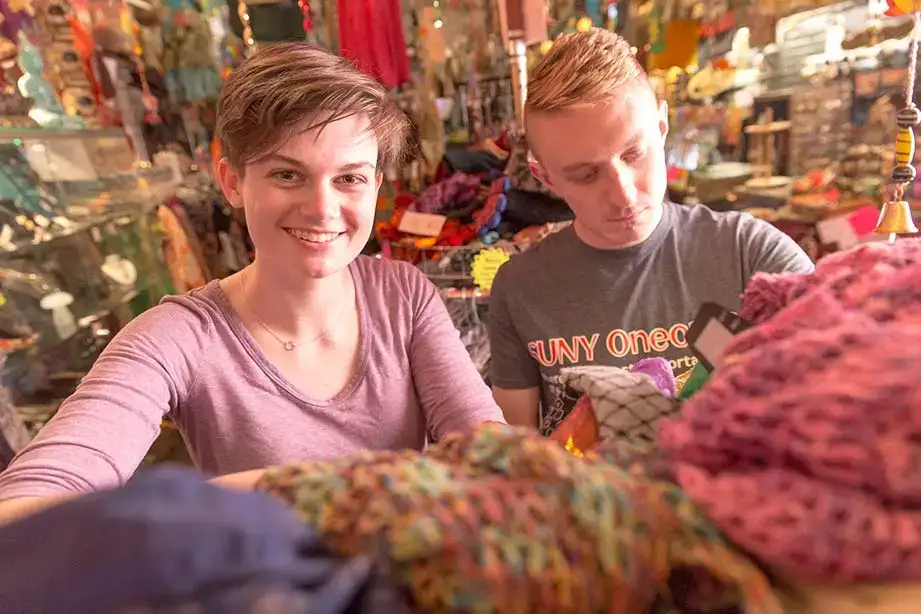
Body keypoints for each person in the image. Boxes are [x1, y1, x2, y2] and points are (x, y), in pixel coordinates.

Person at [0, 43, 504, 521]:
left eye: (349, 178)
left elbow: (492, 453)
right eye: (288, 175)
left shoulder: (405, 297)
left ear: (375, 184)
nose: (323, 209)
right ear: (232, 182)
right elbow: (27, 513)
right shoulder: (178, 338)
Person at [488, 29, 815, 435]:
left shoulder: (753, 255)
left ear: (661, 126)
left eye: (633, 154)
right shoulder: (519, 288)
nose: (624, 195)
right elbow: (516, 454)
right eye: (586, 175)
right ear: (546, 178)